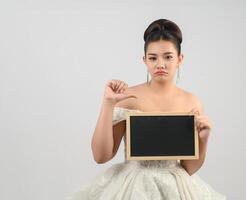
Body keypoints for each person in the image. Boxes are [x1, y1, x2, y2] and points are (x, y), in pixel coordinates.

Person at [66, 18, 226, 200]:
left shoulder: (191, 101)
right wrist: (108, 104)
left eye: (168, 57)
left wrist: (203, 139)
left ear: (180, 59)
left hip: (176, 187)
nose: (160, 64)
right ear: (144, 60)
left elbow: (189, 168)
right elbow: (101, 156)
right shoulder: (127, 98)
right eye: (153, 58)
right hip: (133, 186)